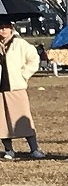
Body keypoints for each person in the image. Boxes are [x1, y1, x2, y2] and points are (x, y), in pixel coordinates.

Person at [0, 19, 44, 160]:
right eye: (0, 28)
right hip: (1, 88)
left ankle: (34, 149)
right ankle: (9, 150)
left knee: (24, 119)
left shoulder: (20, 44)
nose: (3, 31)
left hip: (16, 87)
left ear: (11, 28)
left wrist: (23, 75)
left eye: (6, 27)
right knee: (2, 121)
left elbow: (33, 59)